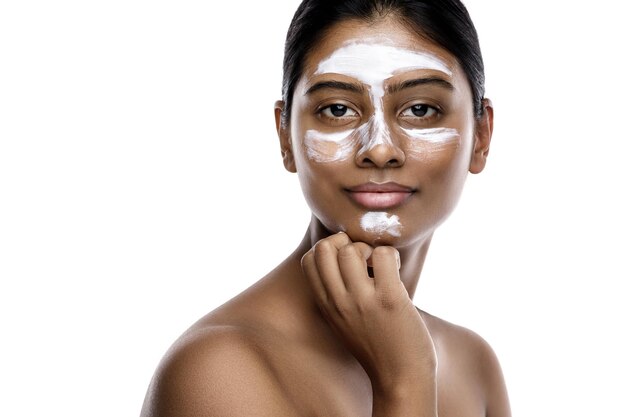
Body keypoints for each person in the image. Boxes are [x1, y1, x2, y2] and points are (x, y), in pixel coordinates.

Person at [140, 0, 510, 415]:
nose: (380, 149)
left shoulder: (472, 366)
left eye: (420, 110)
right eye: (338, 110)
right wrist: (403, 379)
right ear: (285, 136)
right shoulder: (216, 371)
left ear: (482, 135)